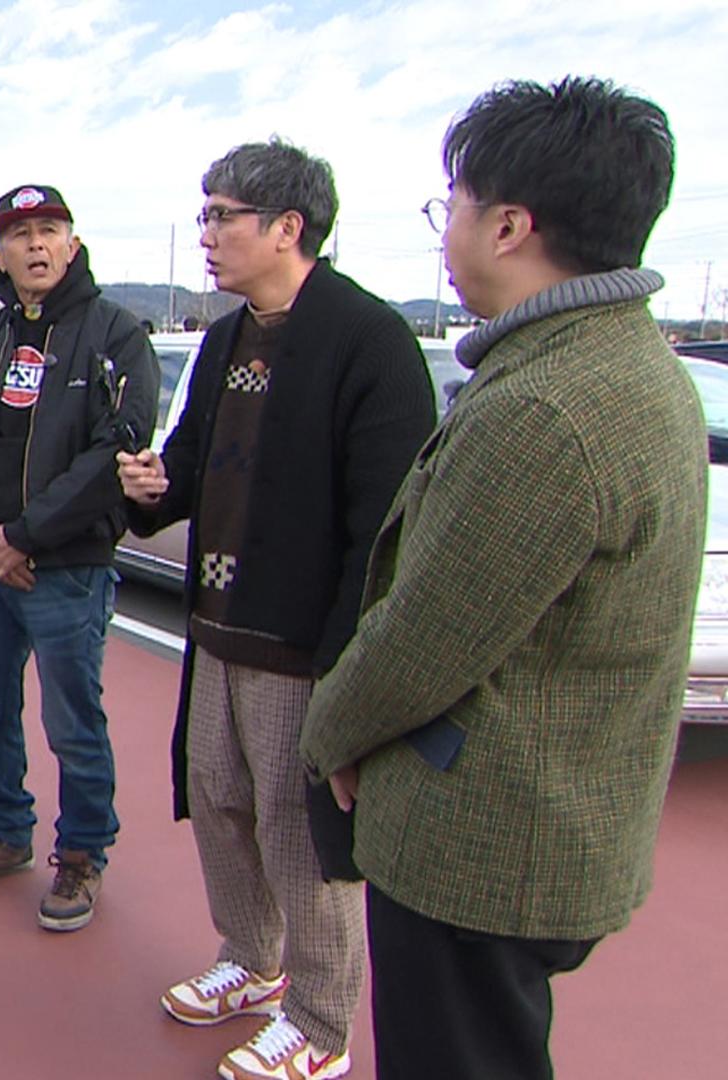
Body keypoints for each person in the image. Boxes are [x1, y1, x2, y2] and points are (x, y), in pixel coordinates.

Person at [298, 77, 699, 1080]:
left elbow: (430, 633)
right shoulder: (629, 364)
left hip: (481, 845)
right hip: (551, 823)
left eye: (456, 207)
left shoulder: (548, 407)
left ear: (512, 224)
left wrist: (330, 731)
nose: (450, 231)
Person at [117, 139, 434, 1080]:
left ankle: (322, 1021)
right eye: (206, 213)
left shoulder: (366, 340)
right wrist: (149, 487)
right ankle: (251, 961)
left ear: (287, 227)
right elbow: (188, 470)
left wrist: (347, 677)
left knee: (303, 837)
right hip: (214, 628)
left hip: (305, 650)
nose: (205, 235)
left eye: (221, 216)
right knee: (216, 801)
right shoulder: (223, 338)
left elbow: (382, 534)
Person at [0, 184, 158, 932]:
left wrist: (25, 536)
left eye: (49, 229)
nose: (35, 244)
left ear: (73, 242)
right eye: (19, 232)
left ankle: (85, 852)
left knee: (73, 720)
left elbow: (113, 451)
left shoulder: (116, 334)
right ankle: (7, 831)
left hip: (69, 567)